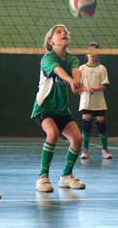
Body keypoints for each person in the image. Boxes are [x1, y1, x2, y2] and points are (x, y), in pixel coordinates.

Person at [31, 24, 86, 193]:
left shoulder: (72, 59)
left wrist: (76, 81)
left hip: (61, 110)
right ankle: (42, 177)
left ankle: (66, 176)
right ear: (50, 41)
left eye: (65, 32)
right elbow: (58, 70)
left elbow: (76, 71)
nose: (64, 34)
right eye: (59, 32)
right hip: (44, 107)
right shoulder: (48, 58)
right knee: (52, 133)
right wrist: (70, 81)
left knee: (77, 139)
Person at [78, 42, 111, 159]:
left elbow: (105, 85)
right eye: (90, 51)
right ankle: (85, 150)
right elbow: (78, 86)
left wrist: (94, 88)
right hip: (86, 102)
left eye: (94, 51)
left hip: (99, 102)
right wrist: (87, 89)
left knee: (101, 125)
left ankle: (105, 150)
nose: (92, 54)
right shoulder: (81, 68)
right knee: (86, 124)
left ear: (98, 54)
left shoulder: (102, 68)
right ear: (86, 53)